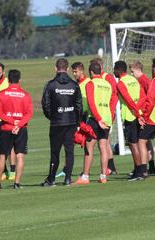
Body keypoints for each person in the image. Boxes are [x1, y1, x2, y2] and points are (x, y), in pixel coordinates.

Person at [41, 58, 82, 186]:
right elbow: (79, 105)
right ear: (68, 68)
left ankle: (51, 179)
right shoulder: (74, 85)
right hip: (71, 123)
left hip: (57, 123)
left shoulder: (51, 84)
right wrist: (77, 121)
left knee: (55, 152)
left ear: (56, 68)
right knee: (69, 151)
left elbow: (45, 104)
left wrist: (53, 116)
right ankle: (68, 179)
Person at [74, 61, 117, 184]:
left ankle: (85, 176)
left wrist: (98, 119)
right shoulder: (107, 84)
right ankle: (103, 176)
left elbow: (92, 104)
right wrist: (108, 119)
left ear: (91, 72)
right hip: (107, 118)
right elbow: (111, 102)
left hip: (95, 119)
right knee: (103, 147)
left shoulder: (91, 84)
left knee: (89, 147)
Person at [0, 69, 33, 189]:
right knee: (20, 156)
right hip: (21, 129)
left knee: (2, 156)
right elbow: (29, 113)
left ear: (8, 80)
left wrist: (12, 122)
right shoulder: (25, 95)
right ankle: (16, 183)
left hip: (6, 128)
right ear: (19, 80)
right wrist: (19, 124)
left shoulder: (2, 94)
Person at [55, 61, 90, 178]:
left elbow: (85, 104)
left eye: (76, 71)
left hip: (85, 118)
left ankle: (105, 168)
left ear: (82, 71)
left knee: (90, 144)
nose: (74, 74)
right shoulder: (75, 84)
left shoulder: (88, 83)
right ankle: (66, 169)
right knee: (69, 144)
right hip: (75, 118)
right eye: (73, 71)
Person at [114, 61, 146, 181]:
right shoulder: (134, 80)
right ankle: (140, 170)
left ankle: (139, 172)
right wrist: (139, 112)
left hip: (130, 116)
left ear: (118, 70)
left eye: (114, 69)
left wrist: (137, 113)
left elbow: (128, 101)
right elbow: (143, 97)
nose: (113, 72)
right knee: (137, 143)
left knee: (133, 144)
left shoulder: (121, 83)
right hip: (138, 115)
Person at [90, 57, 118, 175]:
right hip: (100, 115)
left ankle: (109, 168)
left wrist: (111, 115)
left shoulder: (108, 78)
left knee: (104, 142)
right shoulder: (95, 80)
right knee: (104, 142)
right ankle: (110, 169)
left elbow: (114, 97)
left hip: (105, 115)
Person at [129, 60, 155, 175]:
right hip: (143, 114)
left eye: (132, 72)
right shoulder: (140, 80)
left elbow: (149, 97)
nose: (131, 74)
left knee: (142, 141)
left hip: (145, 114)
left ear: (138, 70)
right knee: (146, 141)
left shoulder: (144, 80)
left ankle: (142, 168)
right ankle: (150, 167)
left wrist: (144, 113)